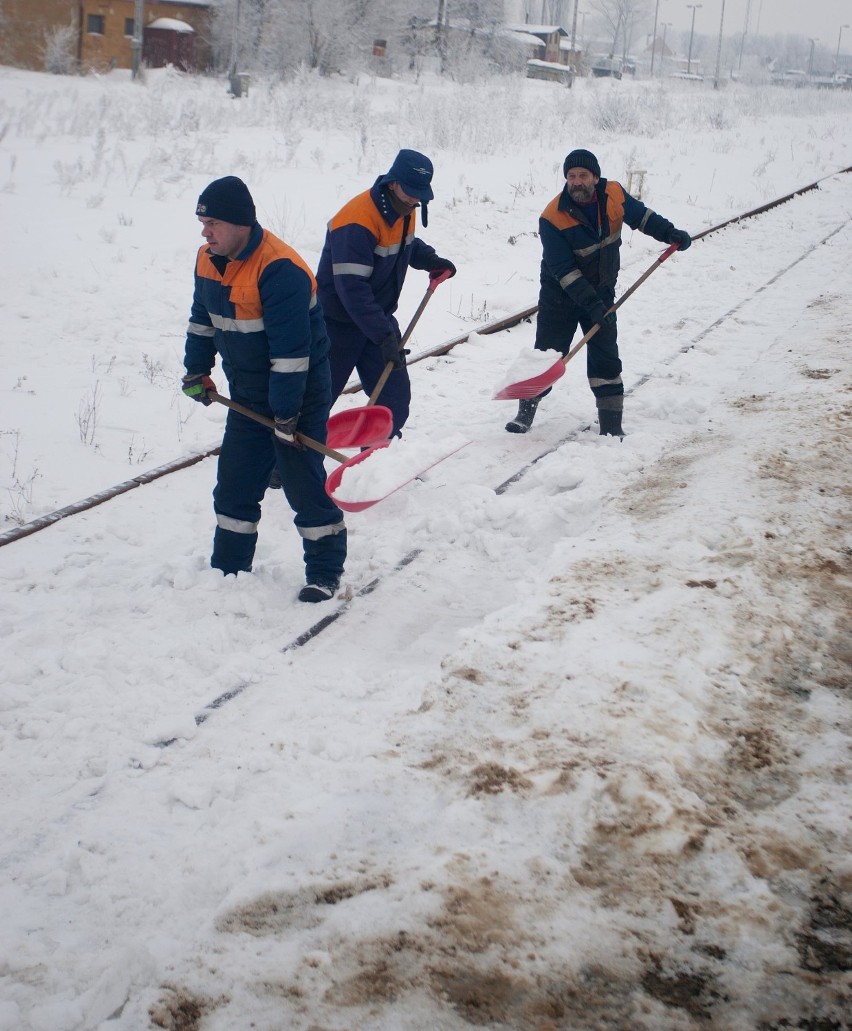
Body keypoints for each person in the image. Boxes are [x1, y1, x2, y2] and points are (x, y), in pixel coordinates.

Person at [181, 176, 346, 603]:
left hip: (299, 394)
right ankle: (229, 569)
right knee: (235, 483)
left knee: (302, 485)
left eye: (212, 222)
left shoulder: (280, 270)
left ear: (239, 223)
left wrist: (287, 416)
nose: (205, 232)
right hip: (248, 396)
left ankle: (325, 573)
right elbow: (202, 321)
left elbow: (292, 355)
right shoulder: (207, 260)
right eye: (202, 222)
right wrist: (196, 370)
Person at [506, 148, 691, 437]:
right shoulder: (552, 217)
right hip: (560, 296)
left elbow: (642, 217)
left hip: (601, 290)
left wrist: (670, 233)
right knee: (548, 354)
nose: (577, 182)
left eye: (582, 175)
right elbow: (564, 270)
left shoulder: (614, 194)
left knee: (605, 354)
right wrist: (590, 304)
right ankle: (525, 413)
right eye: (571, 176)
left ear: (595, 176)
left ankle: (611, 424)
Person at [316, 149, 457, 437]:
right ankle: (281, 462)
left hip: (375, 319)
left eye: (421, 194)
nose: (416, 199)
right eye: (411, 192)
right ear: (392, 183)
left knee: (393, 401)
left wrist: (430, 260)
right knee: (316, 401)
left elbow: (406, 244)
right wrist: (384, 336)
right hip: (336, 326)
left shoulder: (404, 208)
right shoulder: (356, 221)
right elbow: (352, 290)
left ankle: (374, 460)